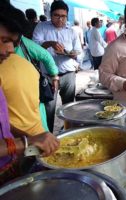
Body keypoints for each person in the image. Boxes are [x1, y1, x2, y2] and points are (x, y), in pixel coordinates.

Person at [0, 4, 59, 185]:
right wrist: (26, 142)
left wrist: (30, 136)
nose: (10, 49)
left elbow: (3, 124)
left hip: (9, 166)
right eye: (3, 40)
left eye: (12, 42)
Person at [33, 1, 81, 132]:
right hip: (48, 76)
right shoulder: (42, 27)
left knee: (69, 107)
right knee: (48, 108)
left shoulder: (71, 31)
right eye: (57, 15)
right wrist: (50, 43)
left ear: (67, 16)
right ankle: (48, 137)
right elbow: (35, 48)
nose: (60, 19)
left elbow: (78, 51)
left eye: (63, 16)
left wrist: (72, 54)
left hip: (68, 75)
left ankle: (69, 133)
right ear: (50, 14)